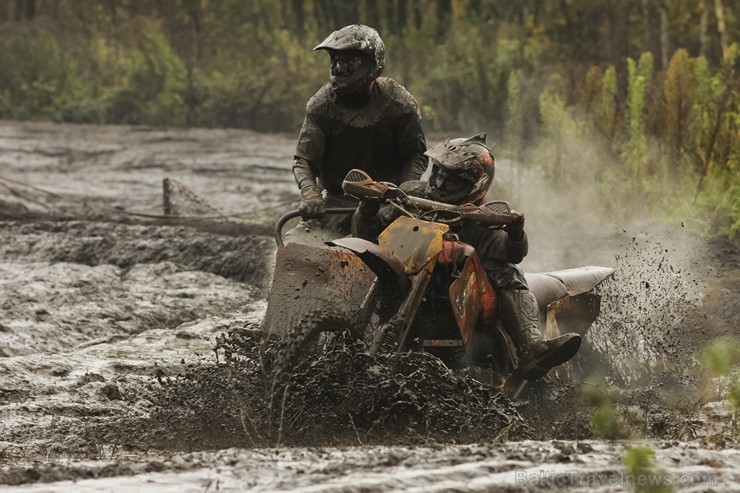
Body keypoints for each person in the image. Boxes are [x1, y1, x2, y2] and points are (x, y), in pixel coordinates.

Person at [352, 133, 581, 380]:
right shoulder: (409, 195)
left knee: (505, 270)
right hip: (401, 282)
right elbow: (368, 234)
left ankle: (531, 346)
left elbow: (512, 253)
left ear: (473, 185)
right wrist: (369, 206)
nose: (439, 182)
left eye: (451, 180)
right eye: (438, 172)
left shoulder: (480, 219)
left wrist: (515, 232)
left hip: (456, 301)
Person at [288, 24, 427, 246]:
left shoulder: (398, 104)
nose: (339, 68)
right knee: (297, 246)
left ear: (372, 62)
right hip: (335, 202)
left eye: (349, 61)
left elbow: (416, 155)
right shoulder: (320, 106)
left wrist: (401, 193)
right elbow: (304, 158)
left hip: (387, 201)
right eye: (336, 60)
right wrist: (309, 192)